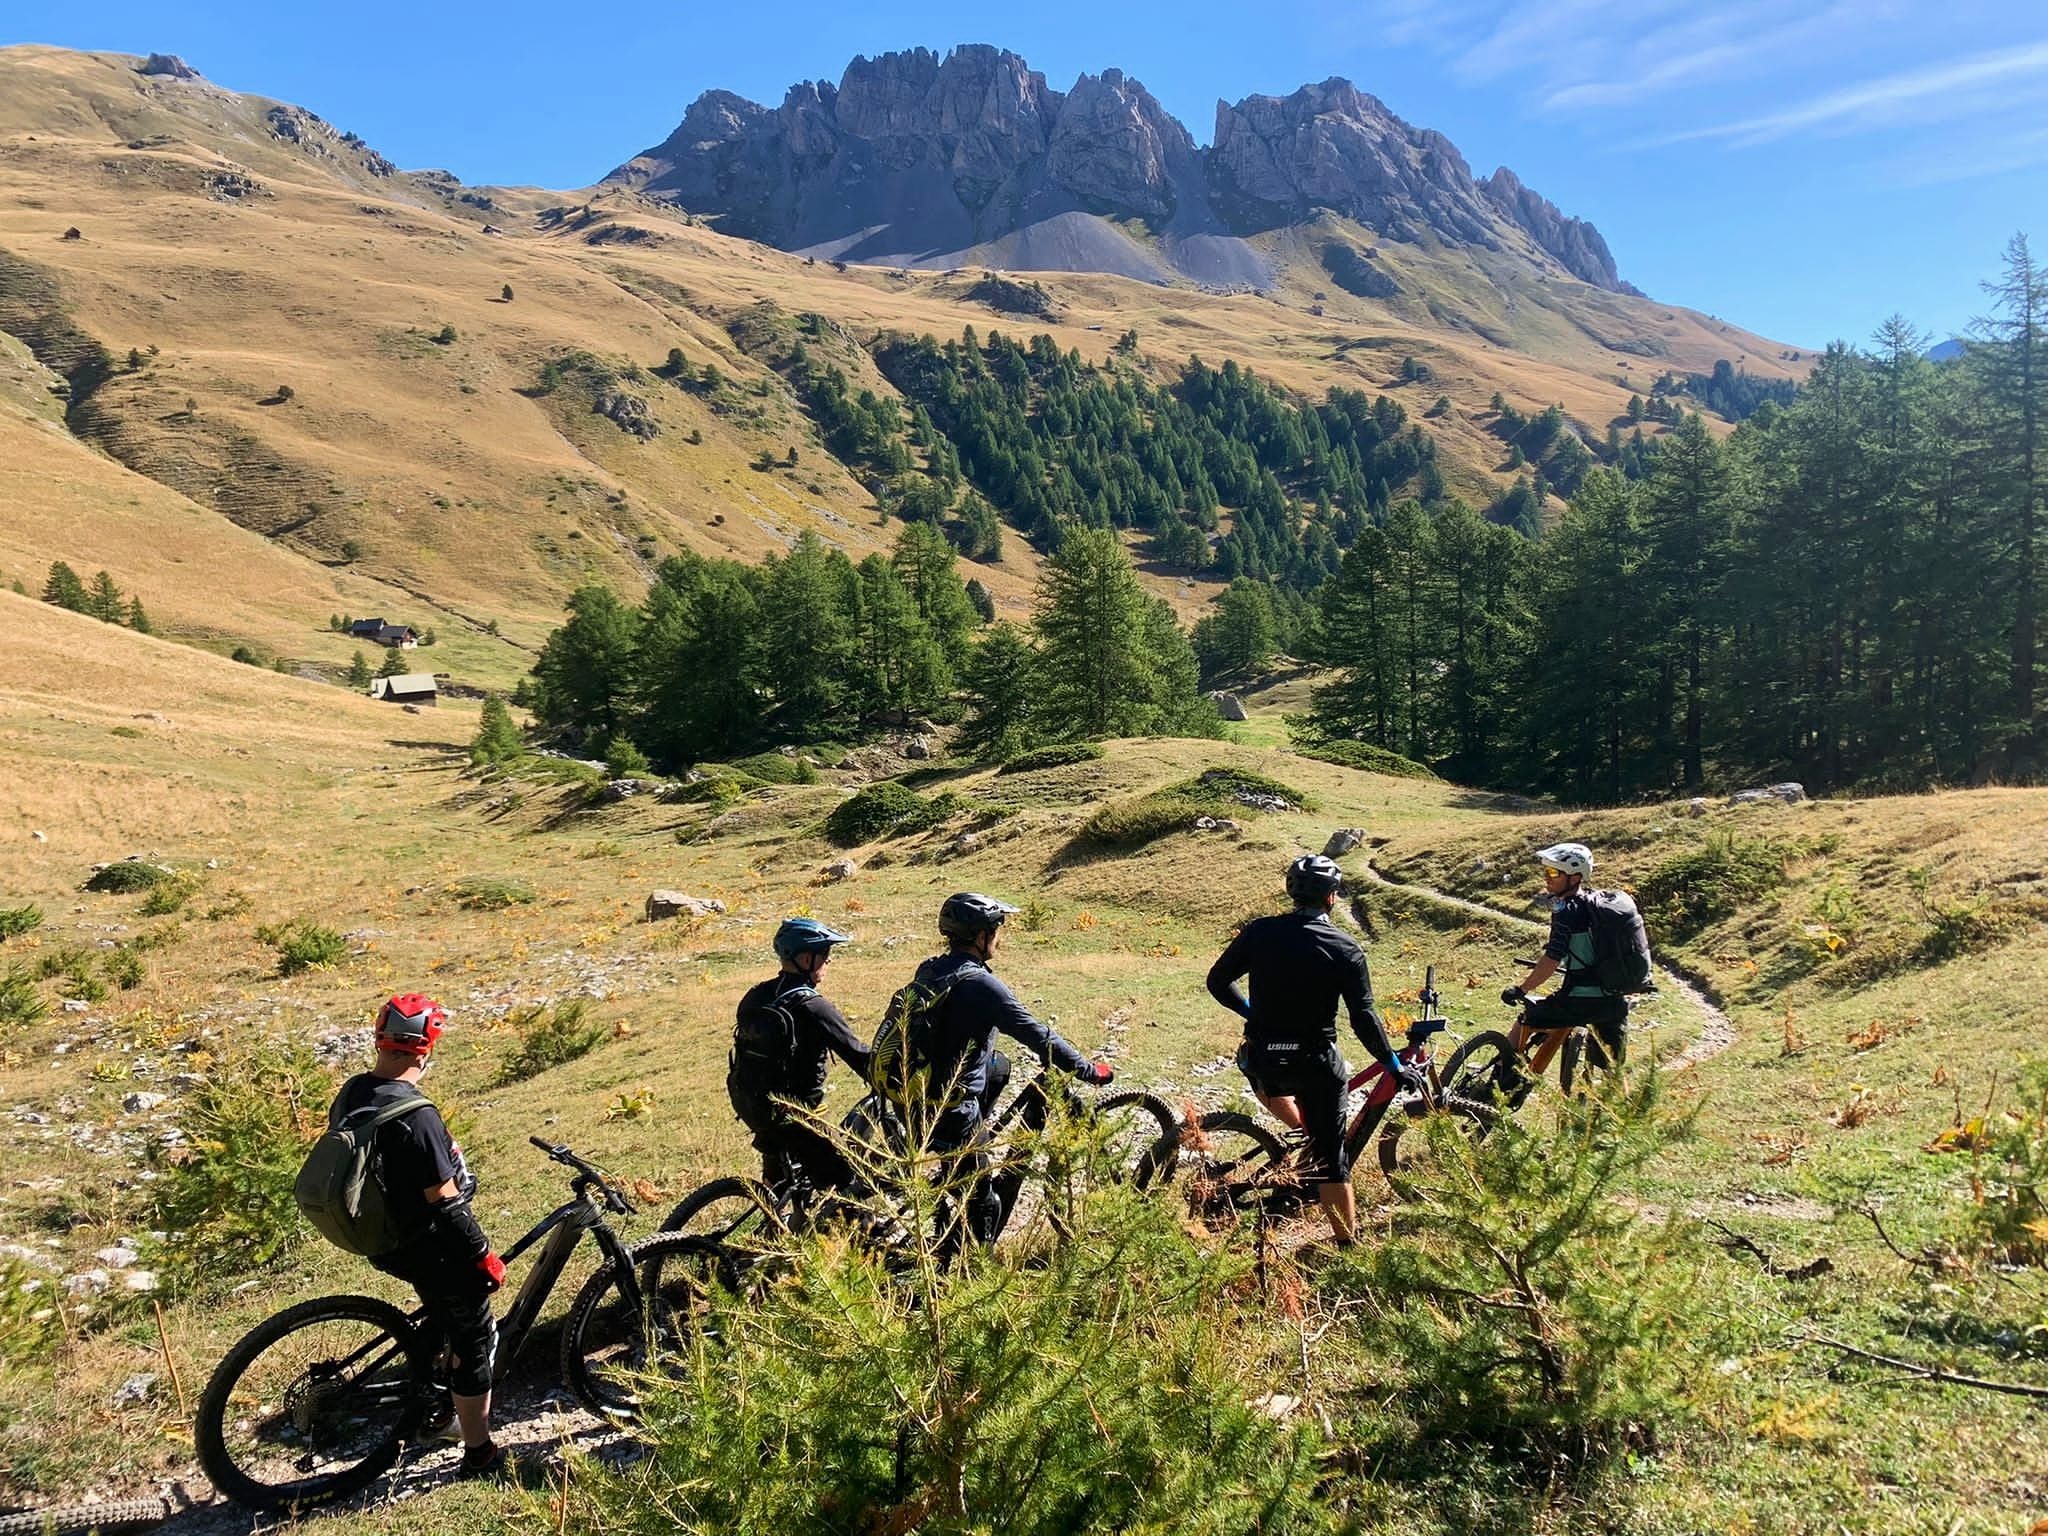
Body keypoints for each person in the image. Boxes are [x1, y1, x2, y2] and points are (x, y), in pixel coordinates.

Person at [327, 994, 509, 1479]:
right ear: (426, 1048)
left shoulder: (353, 1090)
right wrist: (482, 1254)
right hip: (423, 1242)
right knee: (475, 1336)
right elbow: (445, 1201)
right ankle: (477, 1449)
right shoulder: (417, 1115)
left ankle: (437, 1395)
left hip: (379, 1236)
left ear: (380, 1039)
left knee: (443, 1311)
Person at [1206, 854, 1411, 1246]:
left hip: (1265, 1057)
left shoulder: (1259, 932)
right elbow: (1363, 1018)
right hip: (1315, 1062)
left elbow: (1218, 981)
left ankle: (1300, 1129)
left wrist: (1252, 1013)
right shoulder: (1345, 947)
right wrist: (1392, 1062)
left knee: (1253, 1062)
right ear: (1332, 898)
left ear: (1291, 892)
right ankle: (1347, 1245)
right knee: (1334, 1163)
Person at [887, 892, 1112, 1247]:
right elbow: (1038, 1034)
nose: (998, 937)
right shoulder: (981, 984)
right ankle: (971, 1264)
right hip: (950, 1110)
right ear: (980, 937)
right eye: (995, 930)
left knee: (1000, 1066)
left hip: (913, 1097)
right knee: (984, 1203)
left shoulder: (931, 969)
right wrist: (1087, 1070)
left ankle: (974, 1142)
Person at [727, 917, 871, 1204]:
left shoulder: (755, 995)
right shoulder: (813, 1007)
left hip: (750, 1102)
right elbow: (858, 1055)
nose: (828, 962)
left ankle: (776, 1216)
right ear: (806, 958)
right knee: (848, 1180)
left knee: (780, 1179)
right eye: (825, 956)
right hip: (794, 1115)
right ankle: (858, 1233)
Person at [1499, 841, 1630, 1092]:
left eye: (1553, 873)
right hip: (1613, 1002)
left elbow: (1551, 960)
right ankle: (1619, 1114)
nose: (1546, 878)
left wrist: (1521, 989)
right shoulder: (1600, 908)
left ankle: (1500, 1079)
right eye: (1546, 872)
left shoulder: (1566, 910)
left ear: (1575, 877)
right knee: (1613, 1069)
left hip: (1579, 1000)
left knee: (1525, 1019)